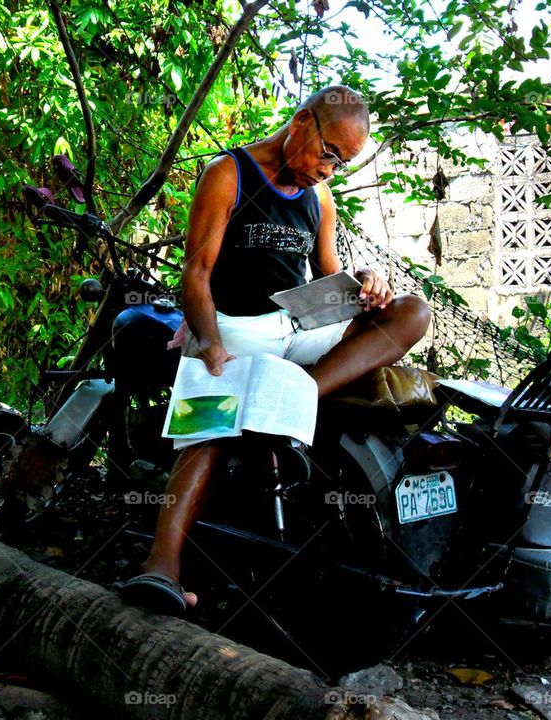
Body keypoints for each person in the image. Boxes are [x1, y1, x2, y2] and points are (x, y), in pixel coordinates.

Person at [118, 85, 431, 615]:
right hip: (237, 326)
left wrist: (369, 283)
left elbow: (330, 278)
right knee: (211, 425)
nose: (327, 170)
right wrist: (210, 344)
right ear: (303, 121)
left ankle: (302, 393)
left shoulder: (319, 197)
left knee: (412, 310)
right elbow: (196, 272)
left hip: (300, 324)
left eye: (342, 164)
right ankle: (161, 565)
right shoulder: (229, 174)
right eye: (328, 153)